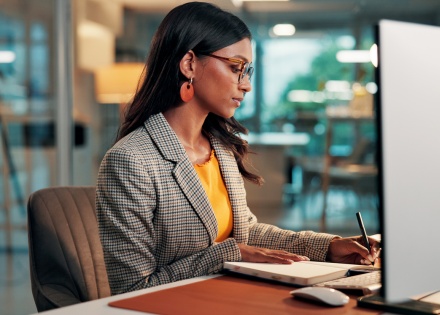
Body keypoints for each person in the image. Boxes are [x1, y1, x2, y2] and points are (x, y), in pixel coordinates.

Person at [96, 1, 380, 296]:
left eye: (248, 71)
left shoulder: (220, 148)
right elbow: (132, 288)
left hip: (230, 298)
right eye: (235, 68)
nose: (246, 85)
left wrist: (329, 247)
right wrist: (228, 255)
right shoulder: (130, 161)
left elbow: (245, 233)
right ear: (189, 63)